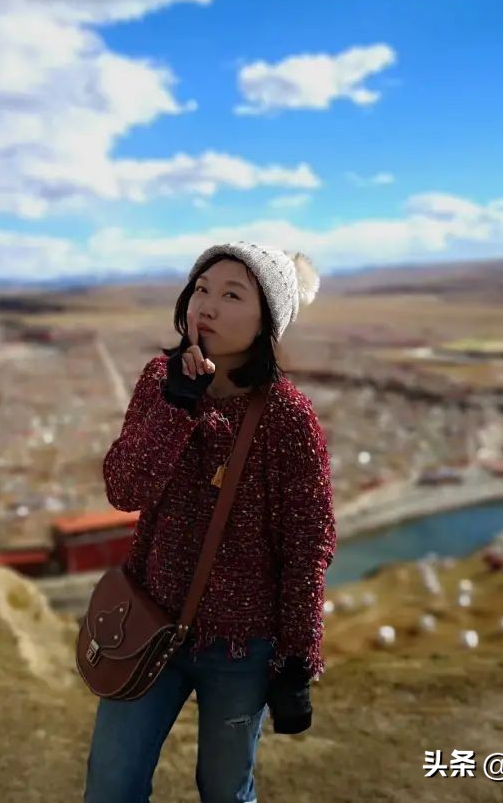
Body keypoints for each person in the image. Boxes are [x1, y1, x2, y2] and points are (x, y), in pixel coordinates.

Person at [83, 242, 337, 803]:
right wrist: (175, 408)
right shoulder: (160, 381)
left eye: (232, 295)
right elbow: (125, 489)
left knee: (225, 791)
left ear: (267, 321)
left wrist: (298, 656)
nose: (208, 306)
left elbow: (308, 541)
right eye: (201, 289)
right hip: (149, 623)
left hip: (243, 649)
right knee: (110, 786)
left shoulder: (288, 417)